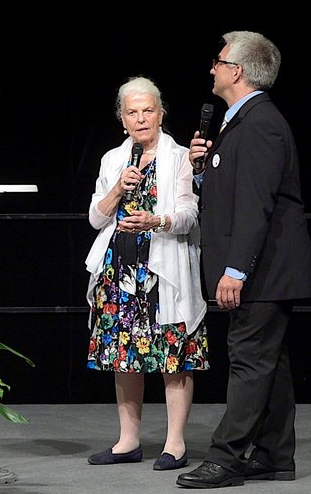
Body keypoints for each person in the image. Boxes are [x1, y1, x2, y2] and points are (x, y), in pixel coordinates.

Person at [177, 32, 311, 489]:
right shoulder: (240, 122)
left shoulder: (260, 124)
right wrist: (202, 172)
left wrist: (235, 270)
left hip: (264, 268)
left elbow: (256, 204)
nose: (211, 69)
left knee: (249, 360)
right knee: (268, 362)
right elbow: (233, 193)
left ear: (236, 71)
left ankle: (227, 458)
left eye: (217, 61)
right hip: (266, 267)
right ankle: (276, 456)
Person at [84, 76, 209, 471]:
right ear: (122, 119)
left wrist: (157, 220)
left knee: (173, 355)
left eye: (148, 110)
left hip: (164, 272)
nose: (141, 119)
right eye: (132, 112)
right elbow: (95, 217)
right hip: (119, 273)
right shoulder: (112, 160)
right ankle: (128, 441)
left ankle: (175, 444)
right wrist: (118, 189)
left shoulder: (180, 158)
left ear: (161, 113)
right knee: (124, 356)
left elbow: (190, 215)